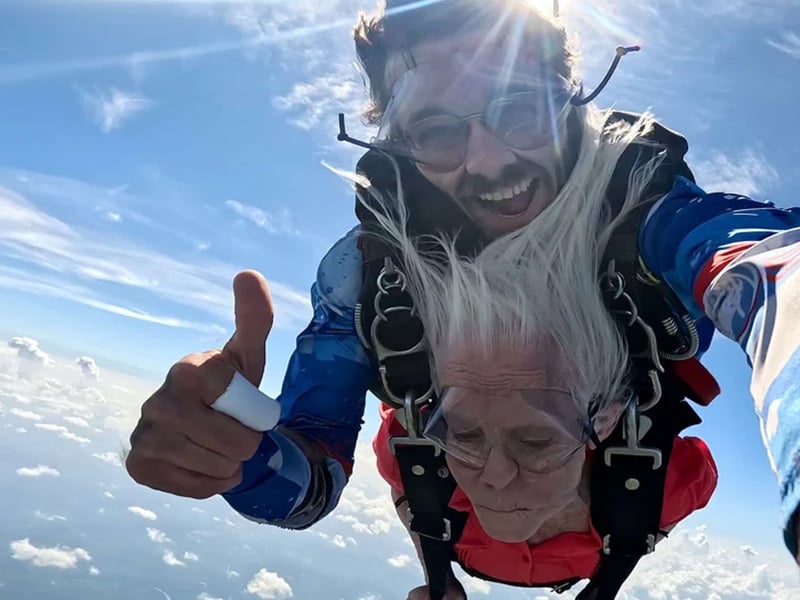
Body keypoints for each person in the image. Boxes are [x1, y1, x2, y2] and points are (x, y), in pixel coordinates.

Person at [124, 1, 800, 599]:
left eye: (520, 109)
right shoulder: (369, 277)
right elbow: (313, 484)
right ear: (398, 145)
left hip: (597, 494)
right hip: (477, 505)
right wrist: (233, 455)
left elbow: (771, 268)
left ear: (570, 101)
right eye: (437, 132)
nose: (489, 162)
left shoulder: (654, 225)